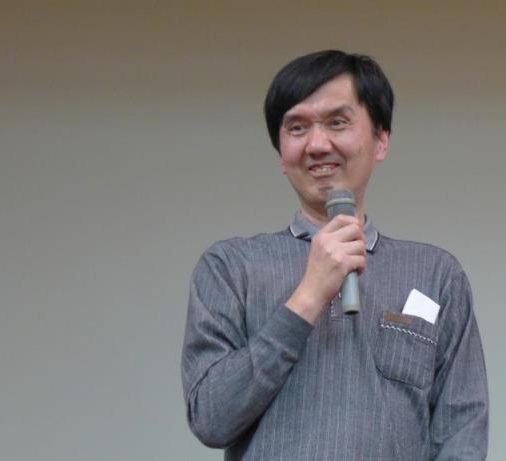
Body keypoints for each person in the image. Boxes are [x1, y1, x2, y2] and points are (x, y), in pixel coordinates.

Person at [181, 50, 488, 460]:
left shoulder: (435, 275)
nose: (317, 144)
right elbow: (210, 418)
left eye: (337, 122)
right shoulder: (230, 268)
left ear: (381, 140)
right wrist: (307, 296)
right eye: (297, 127)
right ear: (281, 155)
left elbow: (462, 433)